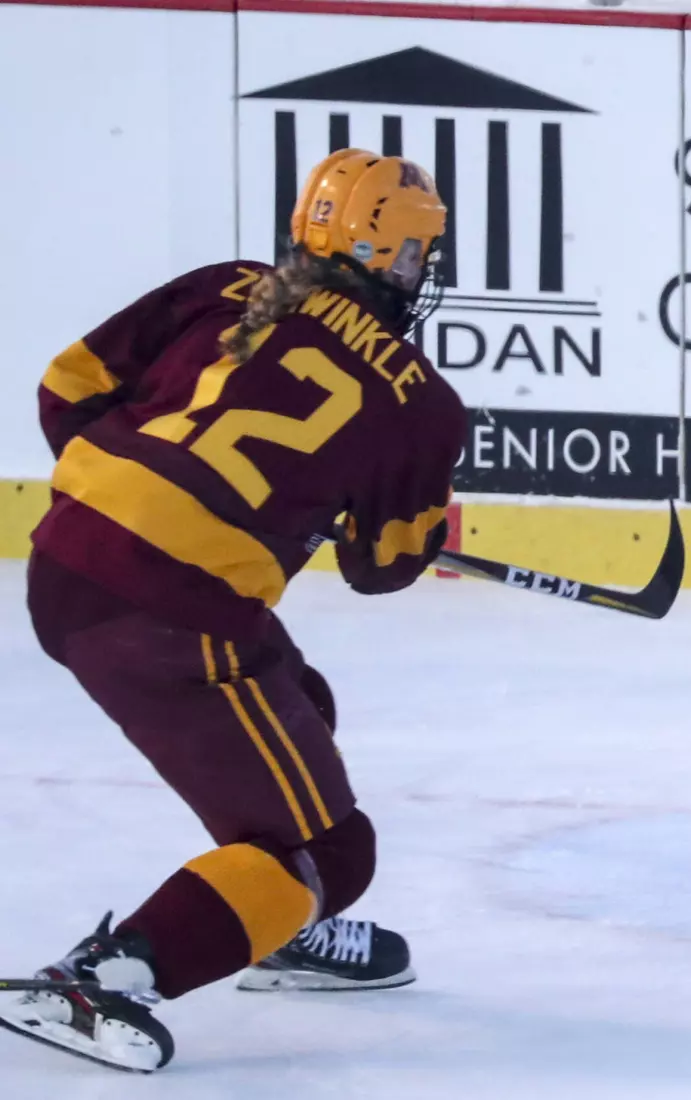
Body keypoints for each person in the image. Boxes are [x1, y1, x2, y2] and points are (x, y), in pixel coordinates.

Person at [0, 148, 466, 1072]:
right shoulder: (422, 402)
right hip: (172, 619)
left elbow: (67, 388)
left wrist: (140, 491)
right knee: (336, 853)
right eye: (418, 255)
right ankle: (102, 974)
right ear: (389, 259)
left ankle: (262, 921)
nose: (422, 273)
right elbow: (383, 567)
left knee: (301, 701)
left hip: (65, 563)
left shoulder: (226, 286)